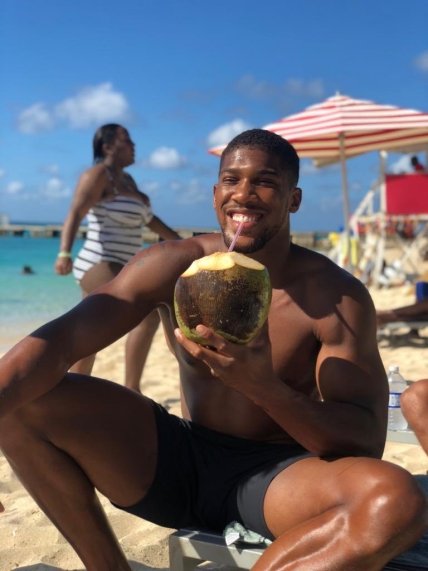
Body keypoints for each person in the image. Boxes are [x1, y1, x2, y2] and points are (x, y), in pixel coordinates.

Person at [0, 129, 427, 570]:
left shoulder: (335, 297)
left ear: (294, 200)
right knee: (18, 397)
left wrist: (264, 388)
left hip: (279, 479)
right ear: (215, 193)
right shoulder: (174, 265)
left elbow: (364, 440)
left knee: (394, 501)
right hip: (176, 461)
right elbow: (63, 339)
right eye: (231, 180)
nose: (243, 194)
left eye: (265, 182)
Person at [54, 123, 181, 392]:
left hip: (125, 265)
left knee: (91, 330)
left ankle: (109, 389)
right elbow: (75, 212)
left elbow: (150, 220)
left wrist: (181, 244)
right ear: (108, 146)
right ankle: (109, 390)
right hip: (98, 262)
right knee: (145, 309)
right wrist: (64, 252)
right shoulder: (98, 175)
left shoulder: (128, 181)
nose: (134, 145)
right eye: (127, 140)